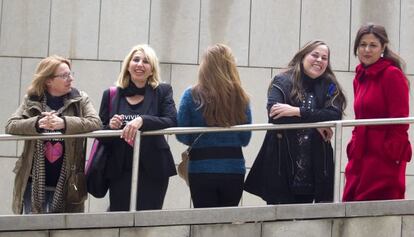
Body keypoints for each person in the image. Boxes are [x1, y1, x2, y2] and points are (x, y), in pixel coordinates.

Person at [244, 40, 347, 204]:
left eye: (324, 57)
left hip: (316, 164)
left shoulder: (329, 84)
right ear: (303, 56)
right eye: (315, 55)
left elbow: (334, 115)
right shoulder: (282, 80)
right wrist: (316, 122)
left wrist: (297, 111)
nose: (319, 60)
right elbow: (275, 115)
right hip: (281, 163)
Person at [5, 55, 102, 214]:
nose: (70, 79)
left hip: (69, 182)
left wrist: (64, 123)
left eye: (71, 74)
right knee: (35, 230)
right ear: (48, 80)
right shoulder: (31, 100)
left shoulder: (80, 99)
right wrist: (37, 123)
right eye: (64, 75)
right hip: (34, 183)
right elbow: (11, 125)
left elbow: (95, 122)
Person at [98, 44, 177, 211]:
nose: (140, 64)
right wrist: (111, 127)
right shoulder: (111, 94)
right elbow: (100, 133)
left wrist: (143, 120)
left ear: (152, 69)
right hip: (120, 169)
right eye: (136, 60)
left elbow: (171, 120)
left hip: (153, 168)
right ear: (128, 65)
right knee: (119, 219)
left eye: (146, 61)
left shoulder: (162, 90)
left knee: (148, 221)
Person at [176, 43, 252, 208]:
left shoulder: (191, 95)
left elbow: (181, 134)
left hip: (200, 168)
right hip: (234, 168)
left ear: (205, 66)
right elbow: (245, 138)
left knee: (205, 222)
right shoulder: (241, 96)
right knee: (226, 223)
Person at [342, 24, 411, 201]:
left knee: (380, 204)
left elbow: (400, 120)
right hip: (360, 153)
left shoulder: (391, 74)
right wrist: (353, 146)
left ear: (383, 48)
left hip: (383, 156)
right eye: (362, 44)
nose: (366, 50)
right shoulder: (360, 76)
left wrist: (391, 153)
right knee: (351, 203)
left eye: (373, 45)